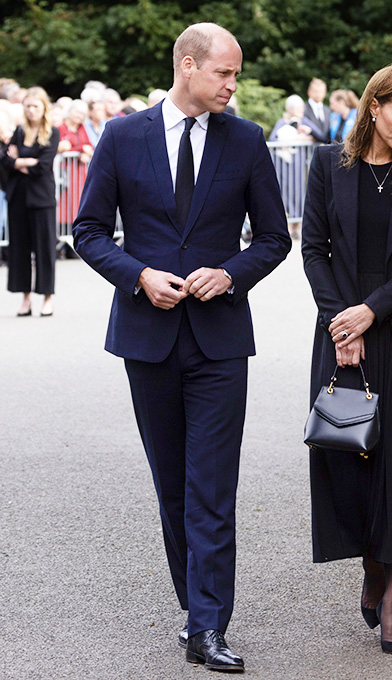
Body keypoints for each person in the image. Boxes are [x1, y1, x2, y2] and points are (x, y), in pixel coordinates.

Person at [72, 22, 291, 672]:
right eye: (225, 73)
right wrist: (137, 274)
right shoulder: (122, 136)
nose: (233, 84)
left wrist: (230, 273)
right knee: (173, 487)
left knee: (212, 487)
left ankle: (208, 626)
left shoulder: (247, 141)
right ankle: (194, 609)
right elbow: (88, 231)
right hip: (148, 338)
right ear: (188, 66)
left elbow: (274, 239)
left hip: (221, 341)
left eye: (236, 74)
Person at [302, 58, 392, 657]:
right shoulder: (326, 165)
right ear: (372, 106)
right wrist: (343, 321)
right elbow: (312, 249)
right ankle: (370, 565)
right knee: (351, 460)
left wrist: (372, 312)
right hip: (339, 325)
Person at [2, 86, 59, 317]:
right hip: (18, 198)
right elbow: (4, 159)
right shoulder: (18, 131)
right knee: (20, 249)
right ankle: (25, 297)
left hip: (42, 198)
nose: (31, 110)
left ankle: (47, 297)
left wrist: (18, 162)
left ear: (44, 108)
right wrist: (25, 162)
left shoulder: (52, 132)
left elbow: (43, 166)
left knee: (44, 249)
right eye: (28, 106)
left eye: (36, 106)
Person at [269, 94, 317, 239]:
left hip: (299, 165)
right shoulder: (281, 122)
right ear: (289, 109)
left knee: (300, 192)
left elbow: (320, 134)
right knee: (285, 193)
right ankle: (288, 228)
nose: (299, 110)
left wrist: (307, 135)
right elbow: (272, 139)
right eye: (296, 107)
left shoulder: (305, 122)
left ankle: (297, 227)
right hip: (284, 165)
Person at [57, 100, 93, 229]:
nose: (80, 116)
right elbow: (60, 148)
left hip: (79, 172)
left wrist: (86, 152)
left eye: (82, 114)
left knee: (79, 201)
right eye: (77, 112)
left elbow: (89, 145)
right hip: (65, 171)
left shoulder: (82, 128)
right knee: (64, 203)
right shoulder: (60, 128)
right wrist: (81, 149)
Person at [302, 77, 331, 144]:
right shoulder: (303, 108)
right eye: (315, 91)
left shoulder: (328, 110)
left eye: (321, 91)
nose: (318, 94)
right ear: (309, 92)